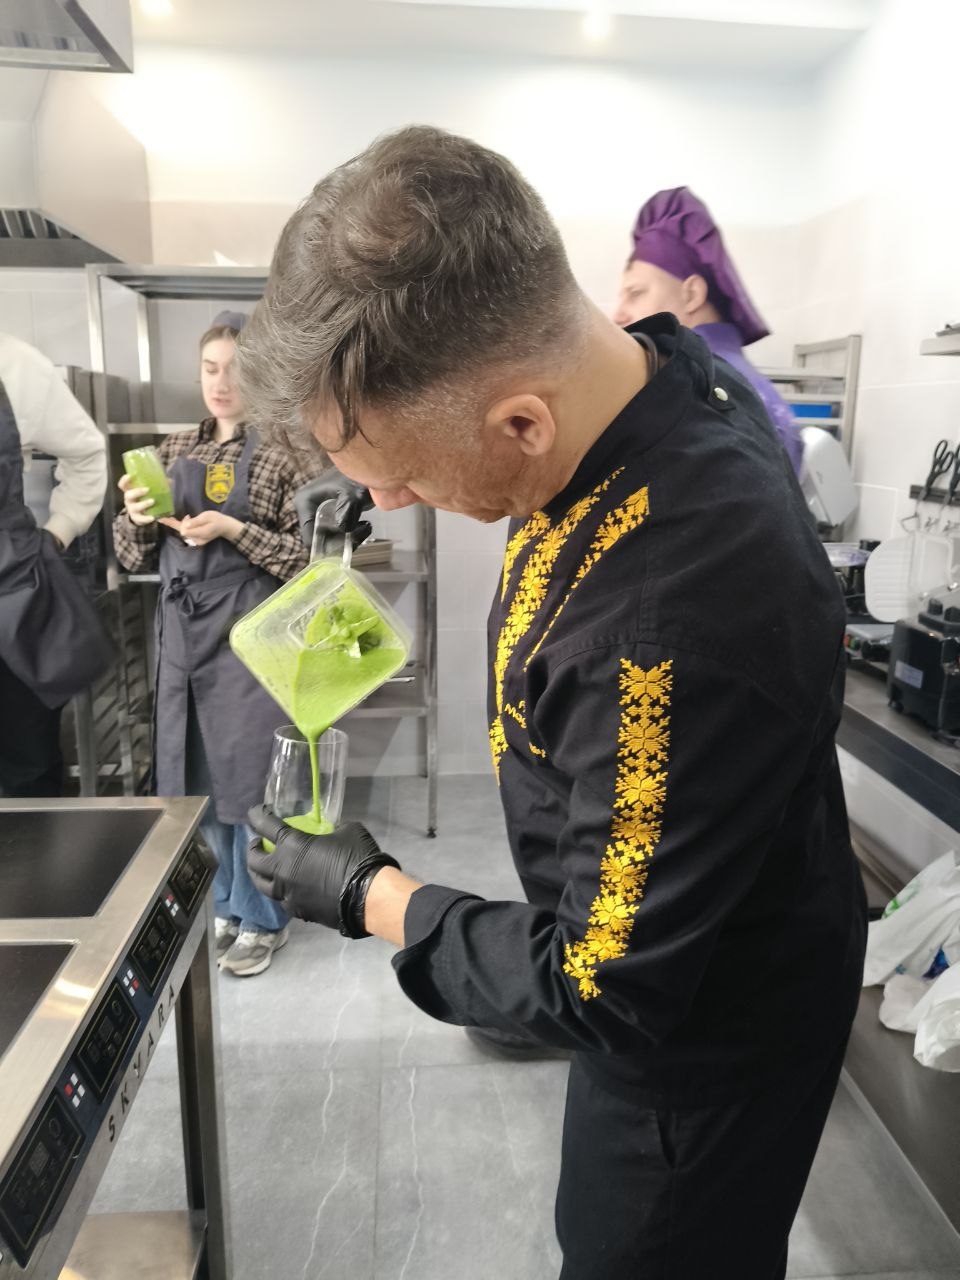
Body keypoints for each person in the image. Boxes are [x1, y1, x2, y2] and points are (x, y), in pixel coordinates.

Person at [238, 128, 866, 1278]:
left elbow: (601, 984)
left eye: (402, 475)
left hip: (697, 1039)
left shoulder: (662, 629)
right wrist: (365, 464)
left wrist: (373, 893)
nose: (392, 496)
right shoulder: (659, 370)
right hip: (703, 904)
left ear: (524, 423)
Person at [113, 312, 318, 977]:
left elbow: (308, 562)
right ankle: (225, 903)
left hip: (251, 639)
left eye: (235, 369)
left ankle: (263, 917)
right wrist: (136, 519)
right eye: (210, 369)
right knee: (194, 778)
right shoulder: (170, 450)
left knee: (250, 782)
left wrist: (233, 530)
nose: (221, 382)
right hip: (182, 637)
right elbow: (129, 554)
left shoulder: (288, 452)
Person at [613, 186, 804, 474]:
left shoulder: (693, 389)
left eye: (636, 293)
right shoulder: (737, 382)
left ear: (692, 294)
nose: (618, 314)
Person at [0, 331, 109, 796]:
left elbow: (87, 453)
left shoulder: (15, 362)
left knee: (28, 769)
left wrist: (58, 531)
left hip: (12, 597)